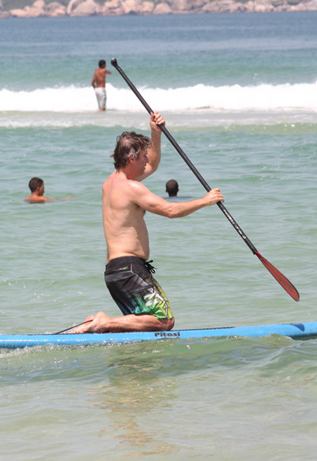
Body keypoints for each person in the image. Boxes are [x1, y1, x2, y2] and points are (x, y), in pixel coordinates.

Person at [71, 112, 223, 333]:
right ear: (131, 158)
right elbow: (170, 210)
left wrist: (155, 133)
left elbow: (152, 165)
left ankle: (93, 324)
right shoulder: (132, 188)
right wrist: (205, 201)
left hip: (114, 271)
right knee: (164, 321)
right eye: (143, 156)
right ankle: (103, 322)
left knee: (142, 324)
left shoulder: (110, 183)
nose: (147, 160)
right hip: (129, 268)